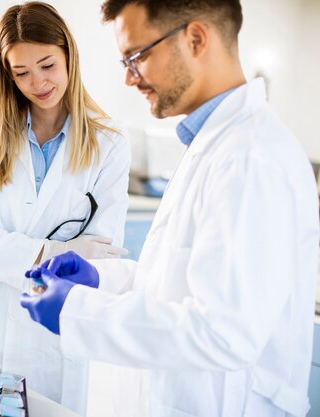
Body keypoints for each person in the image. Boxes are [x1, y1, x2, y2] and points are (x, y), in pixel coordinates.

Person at [21, 1, 320, 416]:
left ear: (196, 38)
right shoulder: (214, 143)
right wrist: (101, 280)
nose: (128, 78)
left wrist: (78, 310)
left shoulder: (251, 156)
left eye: (137, 57)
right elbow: (183, 285)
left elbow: (223, 332)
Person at [0, 2, 131, 414]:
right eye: (21, 73)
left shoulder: (110, 144)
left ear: (68, 57)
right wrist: (52, 252)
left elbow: (101, 254)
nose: (38, 83)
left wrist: (5, 251)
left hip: (51, 339)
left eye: (47, 65)